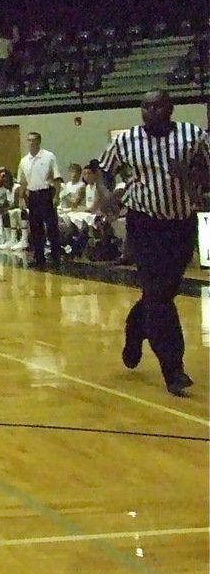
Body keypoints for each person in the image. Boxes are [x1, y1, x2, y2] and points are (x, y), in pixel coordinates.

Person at [96, 90, 209, 396]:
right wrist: (106, 196)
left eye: (158, 105)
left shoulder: (193, 135)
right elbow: (103, 171)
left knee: (161, 293)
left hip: (181, 224)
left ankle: (136, 330)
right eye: (145, 106)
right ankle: (174, 369)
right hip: (144, 223)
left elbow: (208, 175)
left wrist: (190, 175)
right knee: (159, 295)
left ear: (170, 108)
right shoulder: (126, 140)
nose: (151, 111)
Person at [15, 131, 63, 267]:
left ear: (39, 141)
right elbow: (22, 181)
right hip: (33, 195)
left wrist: (57, 196)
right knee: (36, 227)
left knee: (51, 226)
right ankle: (39, 256)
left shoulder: (49, 157)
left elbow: (57, 178)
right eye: (29, 140)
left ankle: (55, 255)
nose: (31, 143)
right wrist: (21, 198)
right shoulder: (24, 161)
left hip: (46, 193)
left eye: (33, 140)